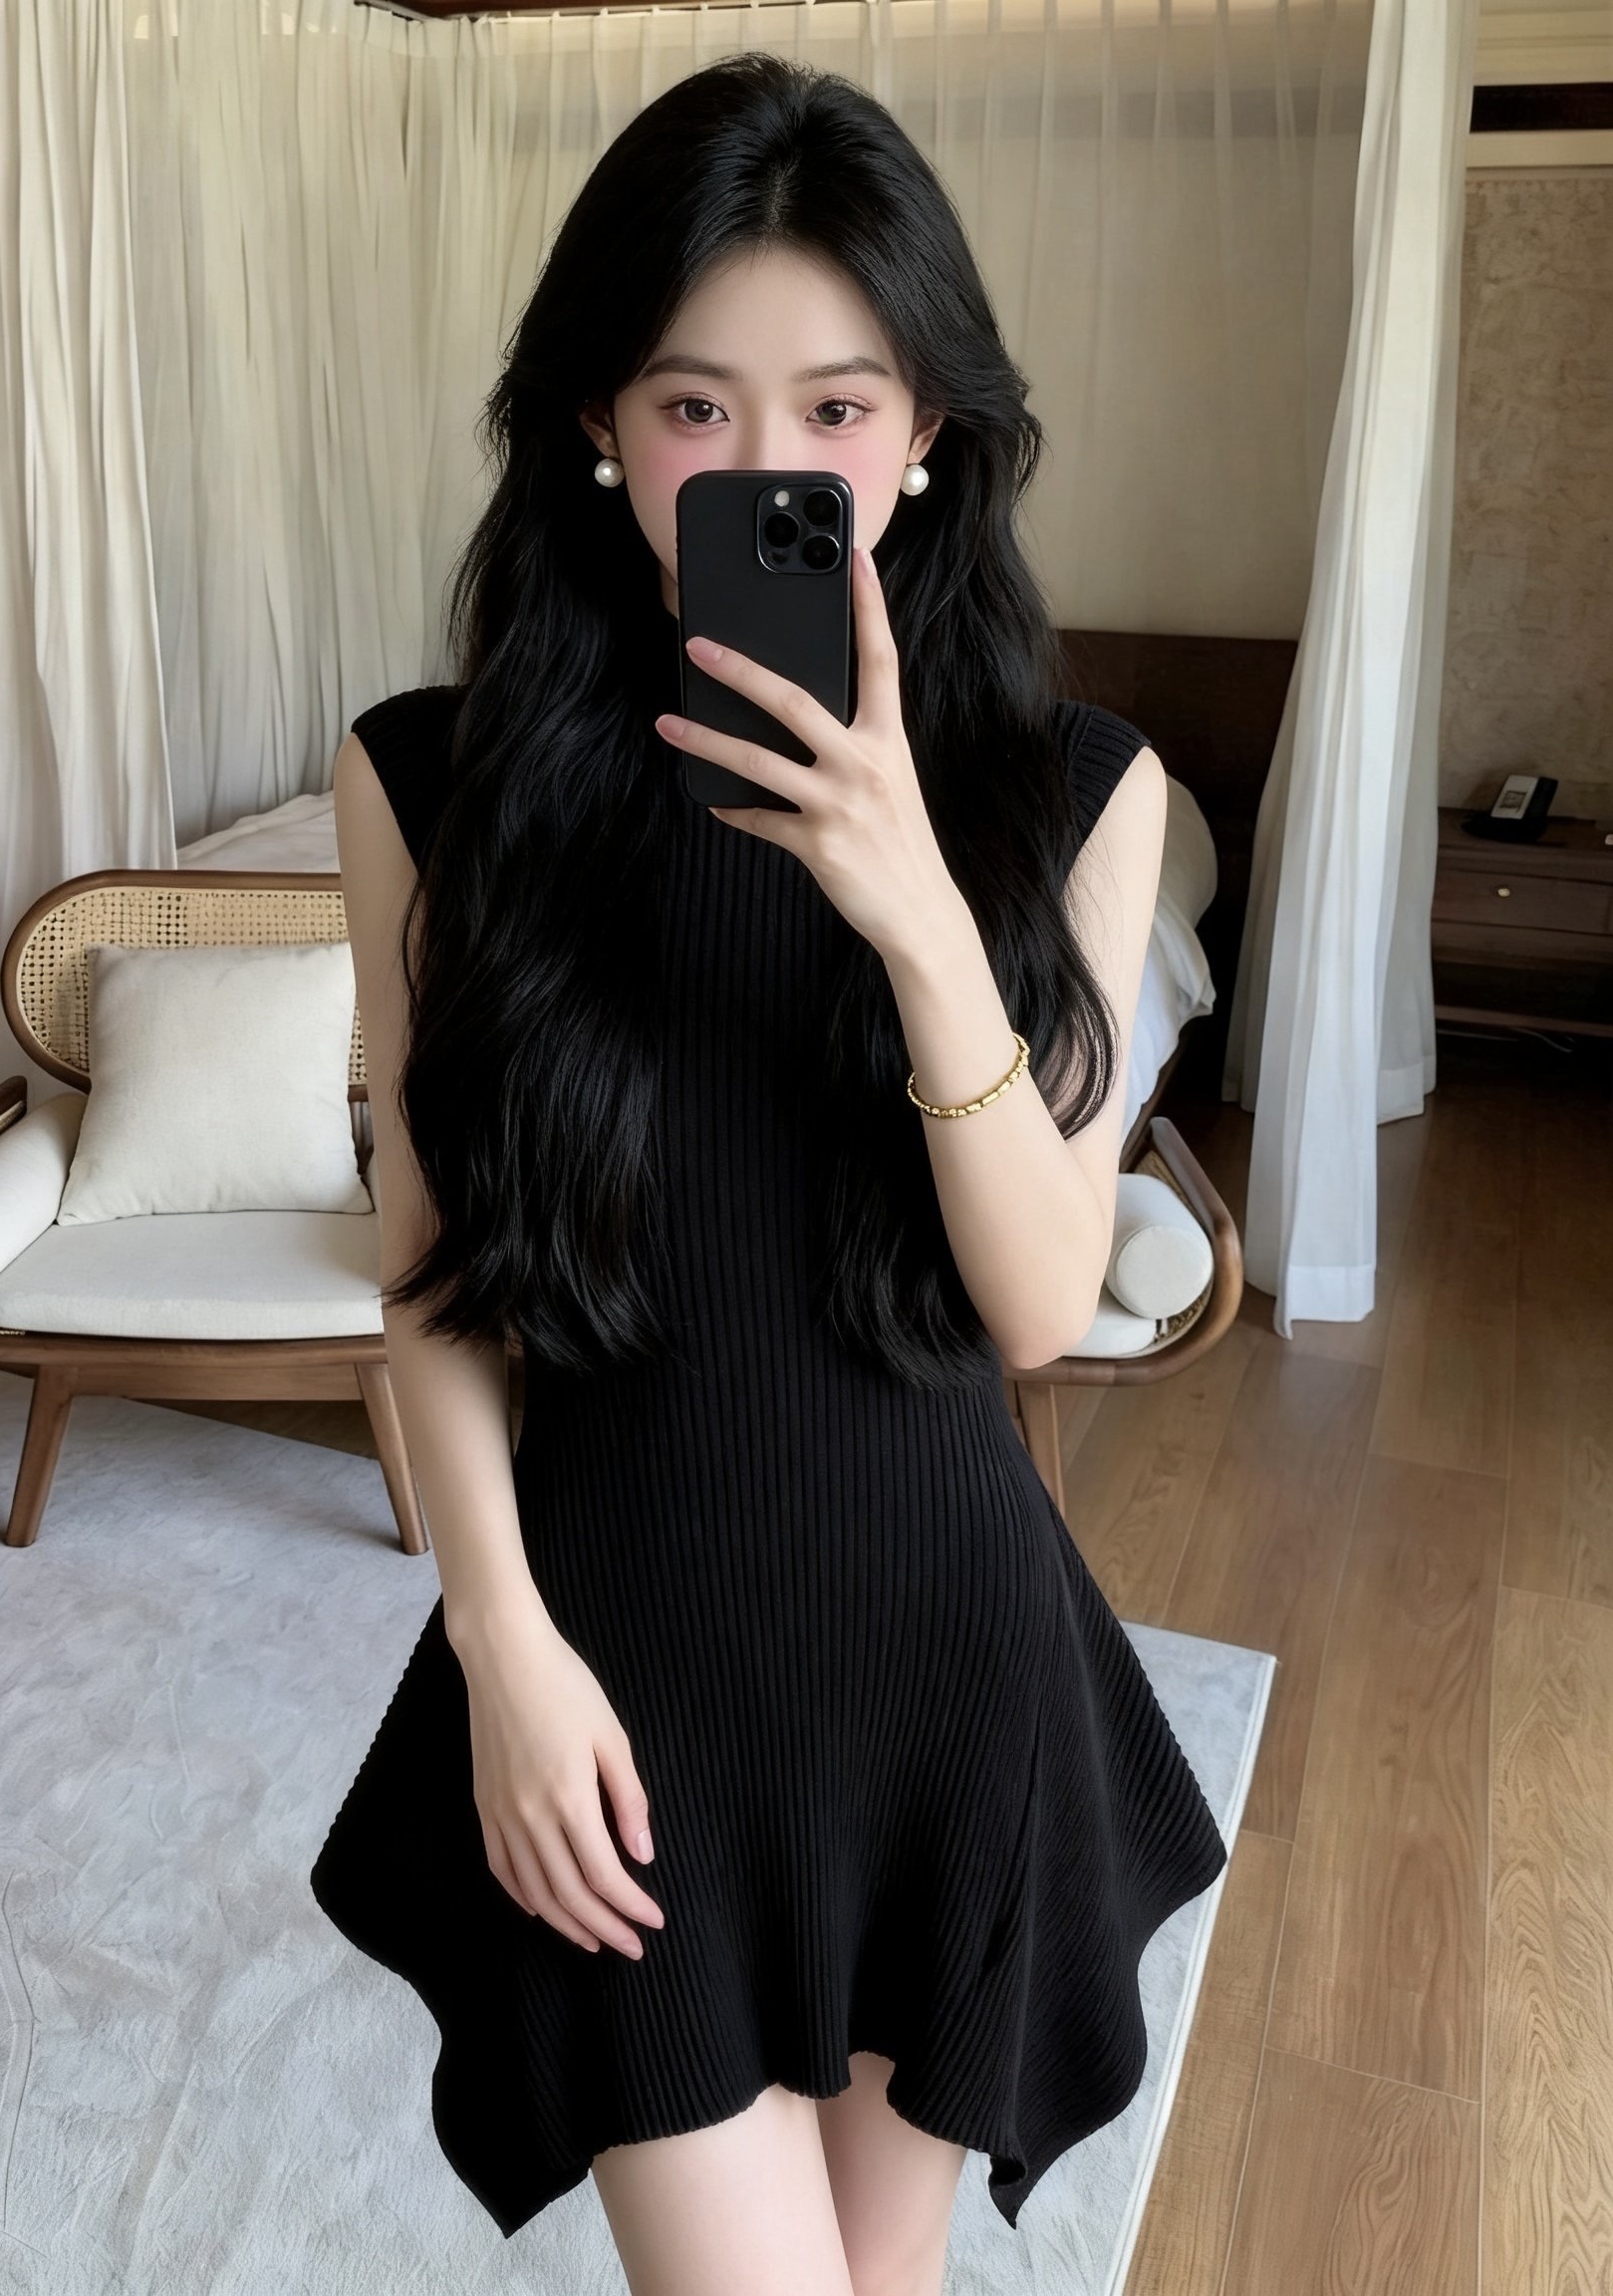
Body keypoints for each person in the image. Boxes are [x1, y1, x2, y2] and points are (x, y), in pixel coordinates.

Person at [310, 50, 1227, 2296]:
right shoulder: (433, 785)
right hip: (618, 1675)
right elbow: (433, 1280)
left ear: (926, 440)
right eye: (693, 407)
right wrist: (498, 1642)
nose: (762, 468)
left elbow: (1039, 1309)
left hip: (949, 1664)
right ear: (597, 429)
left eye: (836, 408)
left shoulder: (1076, 794)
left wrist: (916, 912)